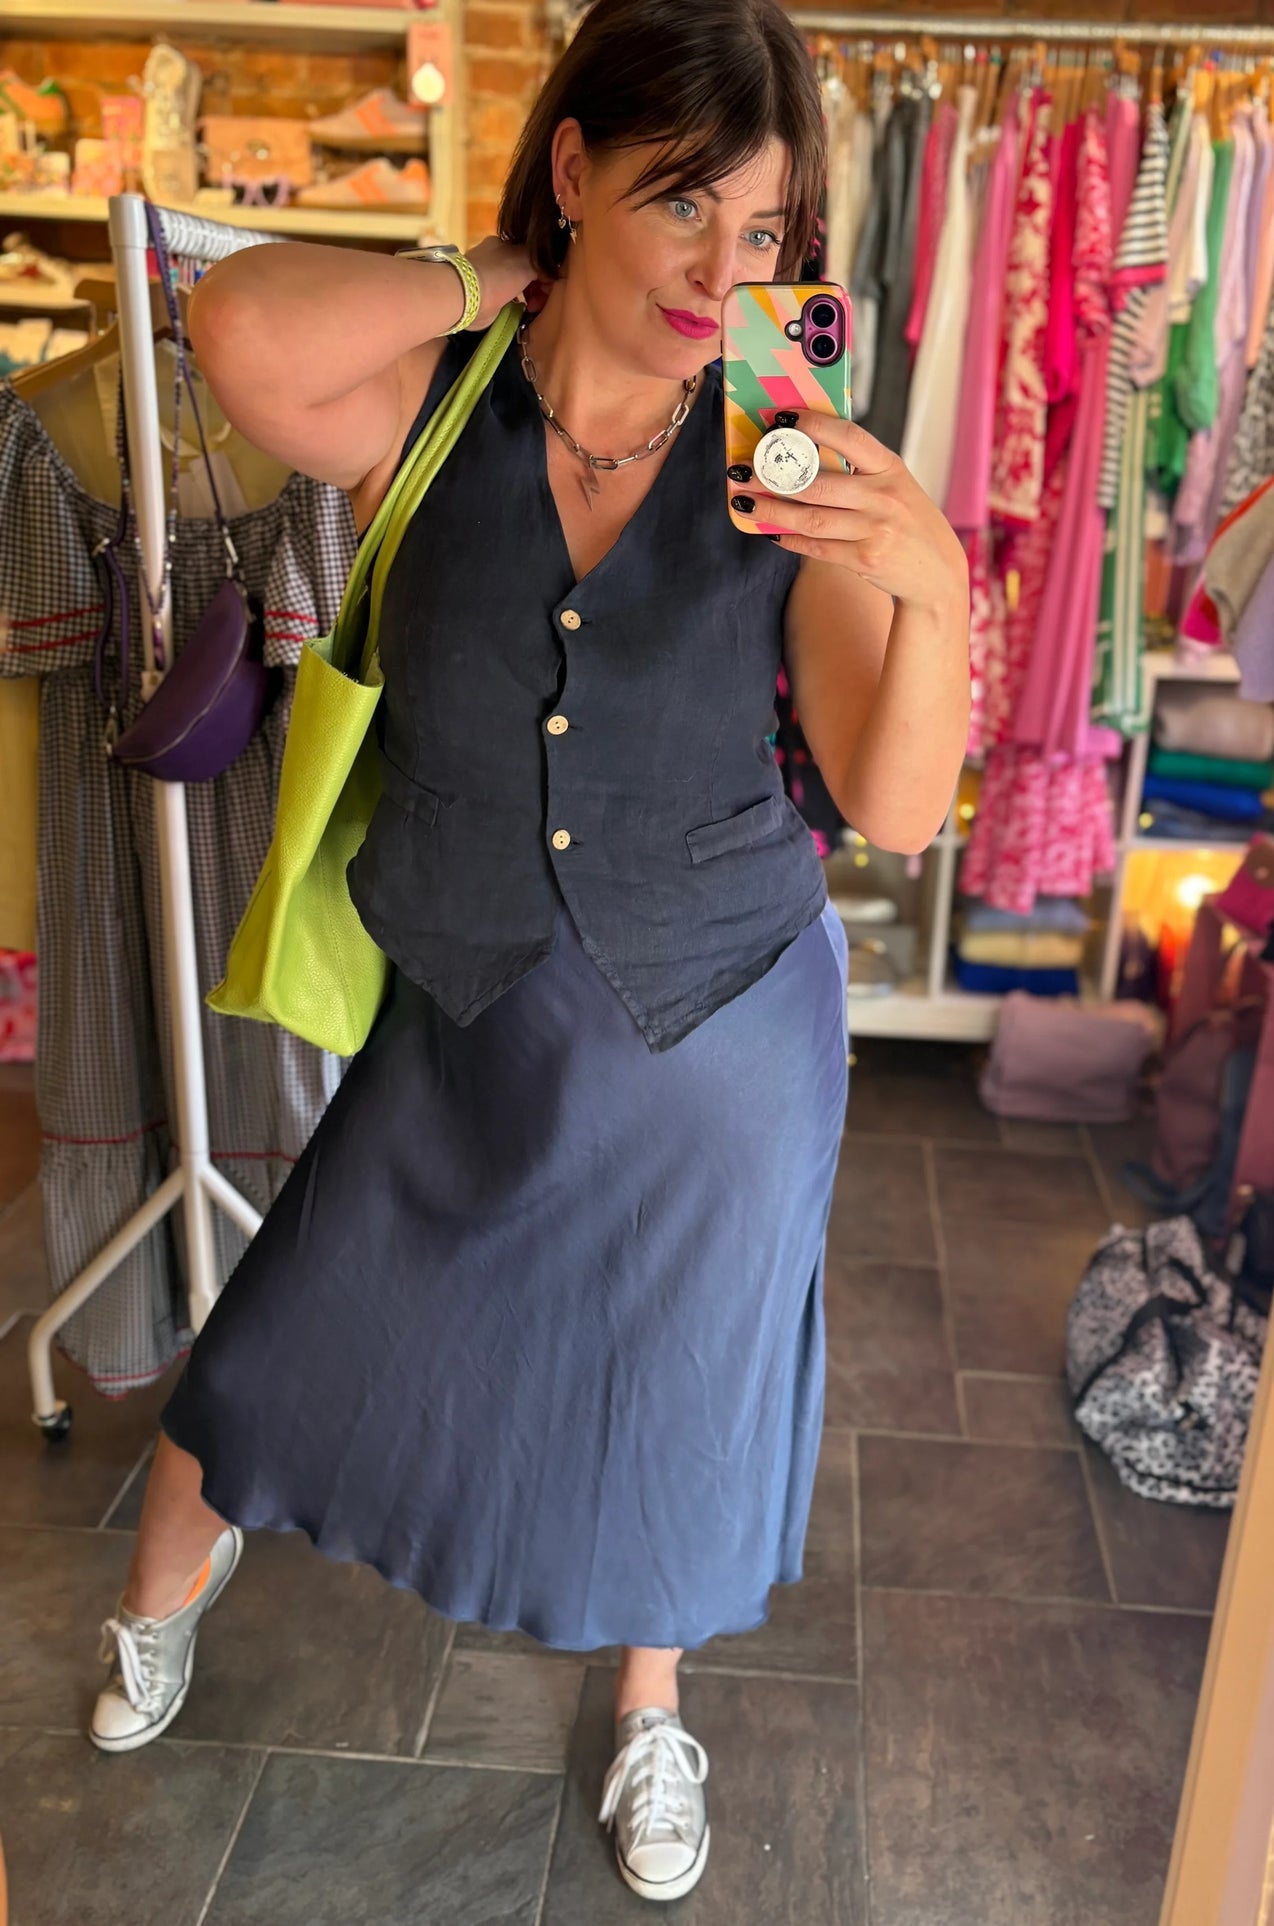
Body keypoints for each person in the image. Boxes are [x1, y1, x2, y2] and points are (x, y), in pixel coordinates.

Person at [87, 0, 971, 1902]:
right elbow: (232, 327)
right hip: (467, 1000)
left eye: (766, 233)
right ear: (573, 170)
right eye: (675, 208)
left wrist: (937, 588)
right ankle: (162, 1588)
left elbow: (888, 803)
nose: (723, 274)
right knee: (289, 1336)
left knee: (669, 1392)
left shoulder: (774, 441)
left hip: (716, 1029)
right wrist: (499, 269)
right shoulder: (439, 389)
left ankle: (653, 1710)